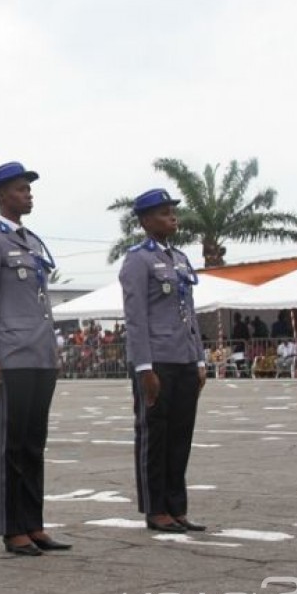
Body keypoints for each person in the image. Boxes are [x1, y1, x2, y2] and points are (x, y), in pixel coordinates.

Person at [0, 161, 70, 556]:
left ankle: (34, 523)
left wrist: (51, 350)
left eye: (29, 188)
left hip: (39, 354)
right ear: (0, 195)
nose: (28, 194)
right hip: (8, 356)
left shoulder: (31, 241)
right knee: (9, 444)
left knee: (33, 443)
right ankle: (12, 528)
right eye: (20, 189)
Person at [119, 188, 207, 534]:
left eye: (173, 211)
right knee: (154, 435)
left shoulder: (180, 259)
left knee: (180, 435)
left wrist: (199, 358)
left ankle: (177, 506)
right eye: (163, 212)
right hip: (156, 361)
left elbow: (190, 313)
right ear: (144, 221)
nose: (172, 217)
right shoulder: (137, 260)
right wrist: (144, 367)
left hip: (184, 357)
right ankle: (155, 509)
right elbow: (135, 317)